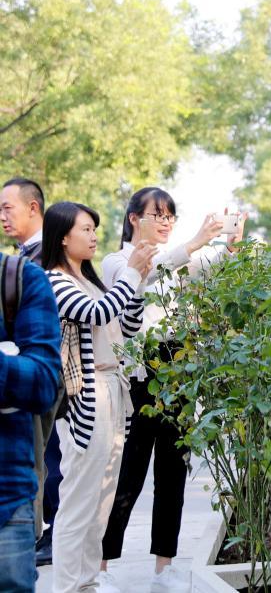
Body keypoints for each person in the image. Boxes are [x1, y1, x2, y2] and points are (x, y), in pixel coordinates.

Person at [99, 187, 245, 593]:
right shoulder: (117, 261)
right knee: (128, 472)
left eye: (170, 216)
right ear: (134, 218)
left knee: (173, 469)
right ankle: (101, 566)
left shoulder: (183, 257)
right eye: (157, 215)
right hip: (140, 371)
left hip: (180, 363)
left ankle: (164, 568)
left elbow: (211, 266)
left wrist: (230, 245)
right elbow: (150, 274)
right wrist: (194, 242)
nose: (165, 223)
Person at [42, 202, 156, 593]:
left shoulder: (89, 280)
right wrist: (131, 273)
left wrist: (138, 283)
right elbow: (97, 313)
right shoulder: (54, 280)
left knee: (102, 500)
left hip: (112, 388)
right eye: (86, 229)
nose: (93, 236)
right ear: (63, 237)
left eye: (94, 229)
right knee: (78, 500)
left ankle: (87, 582)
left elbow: (127, 325)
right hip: (86, 396)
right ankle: (67, 586)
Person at [0, 177, 61, 567]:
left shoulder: (29, 270)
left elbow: (43, 377)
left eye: (8, 208)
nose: (3, 217)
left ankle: (50, 535)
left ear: (33, 207)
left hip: (9, 490)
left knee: (52, 467)